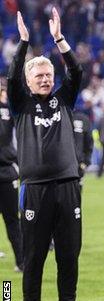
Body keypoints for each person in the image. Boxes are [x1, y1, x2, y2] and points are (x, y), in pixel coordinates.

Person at [8, 9, 85, 301]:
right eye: (38, 75)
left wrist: (59, 39)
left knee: (69, 258)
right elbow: (11, 76)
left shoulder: (64, 99)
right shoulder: (20, 104)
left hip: (68, 186)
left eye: (47, 74)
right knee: (34, 258)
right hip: (35, 190)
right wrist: (25, 41)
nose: (44, 78)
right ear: (28, 81)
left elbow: (76, 71)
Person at [0, 85, 23, 272]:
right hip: (8, 172)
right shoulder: (8, 111)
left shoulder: (8, 111)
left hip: (7, 173)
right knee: (12, 221)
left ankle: (21, 260)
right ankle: (21, 261)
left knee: (12, 221)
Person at [72, 109, 93, 189]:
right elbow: (89, 141)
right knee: (78, 183)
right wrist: (86, 160)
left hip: (64, 160)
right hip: (78, 159)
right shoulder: (84, 119)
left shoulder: (63, 116)